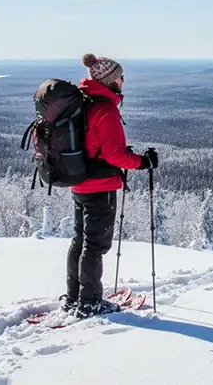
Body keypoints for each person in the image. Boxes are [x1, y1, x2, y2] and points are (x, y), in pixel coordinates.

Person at [61, 53, 159, 318]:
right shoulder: (104, 109)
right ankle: (90, 302)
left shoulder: (85, 102)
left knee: (80, 241)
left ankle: (74, 297)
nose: (123, 82)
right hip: (99, 187)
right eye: (120, 77)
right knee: (94, 246)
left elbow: (96, 146)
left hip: (79, 182)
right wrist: (143, 162)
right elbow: (115, 155)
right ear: (111, 80)